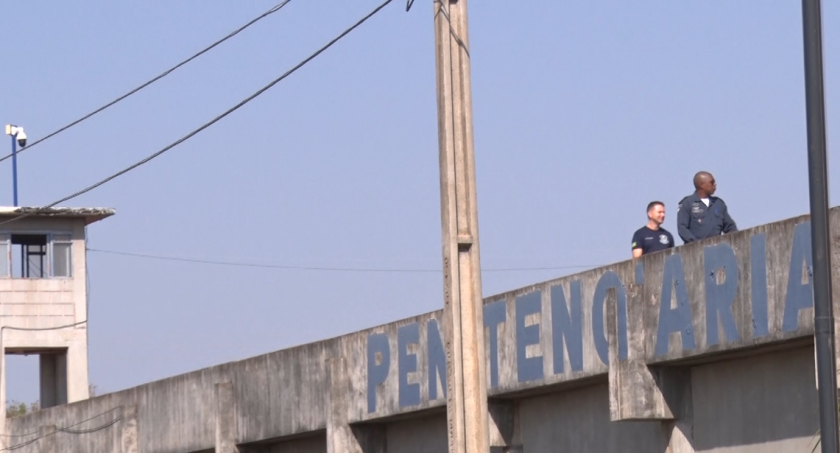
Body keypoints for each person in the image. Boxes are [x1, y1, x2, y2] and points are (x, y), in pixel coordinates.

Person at [676, 171, 737, 244]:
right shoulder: (687, 203)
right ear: (702, 184)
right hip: (695, 251)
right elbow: (682, 229)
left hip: (716, 249)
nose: (714, 185)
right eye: (711, 182)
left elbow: (730, 227)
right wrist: (696, 244)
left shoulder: (718, 203)